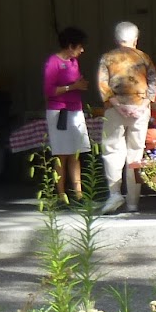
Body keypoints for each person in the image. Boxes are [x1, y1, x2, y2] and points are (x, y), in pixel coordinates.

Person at [96, 22, 155, 214]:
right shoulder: (144, 57)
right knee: (135, 154)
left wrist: (118, 105)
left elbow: (103, 84)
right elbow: (153, 83)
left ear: (116, 39)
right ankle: (133, 203)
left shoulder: (107, 58)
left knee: (113, 151)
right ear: (135, 40)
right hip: (140, 109)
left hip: (114, 110)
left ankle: (114, 194)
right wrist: (143, 105)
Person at [43, 27, 92, 201]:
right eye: (79, 46)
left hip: (75, 109)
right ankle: (61, 193)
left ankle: (78, 193)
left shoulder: (73, 62)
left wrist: (80, 85)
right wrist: (72, 87)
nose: (82, 50)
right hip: (60, 111)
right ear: (70, 46)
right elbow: (49, 90)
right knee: (61, 154)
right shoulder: (53, 62)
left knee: (75, 153)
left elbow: (75, 82)